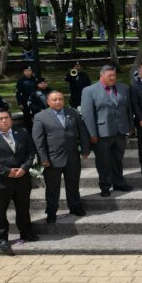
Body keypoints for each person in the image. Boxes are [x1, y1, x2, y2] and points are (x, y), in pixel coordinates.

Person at [0, 109, 38, 255]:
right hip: (0, 181)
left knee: (23, 208)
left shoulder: (22, 133)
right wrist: (7, 172)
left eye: (6, 118)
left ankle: (26, 232)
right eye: (0, 119)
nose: (4, 120)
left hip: (22, 179)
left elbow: (31, 152)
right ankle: (2, 238)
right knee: (0, 212)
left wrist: (25, 168)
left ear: (11, 120)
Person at [31, 91, 90, 223]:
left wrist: (85, 149)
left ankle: (75, 207)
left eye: (60, 99)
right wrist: (43, 158)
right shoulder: (40, 116)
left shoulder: (72, 113)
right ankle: (51, 212)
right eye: (54, 99)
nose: (58, 102)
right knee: (52, 188)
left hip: (72, 157)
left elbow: (82, 132)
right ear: (48, 102)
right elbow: (38, 140)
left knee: (73, 185)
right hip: (52, 160)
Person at [81, 65, 134, 197]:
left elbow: (129, 109)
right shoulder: (89, 91)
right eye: (109, 76)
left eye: (114, 75)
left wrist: (131, 126)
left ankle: (119, 183)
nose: (112, 78)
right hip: (101, 133)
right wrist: (92, 133)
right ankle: (105, 185)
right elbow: (88, 114)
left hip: (120, 131)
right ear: (102, 75)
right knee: (103, 161)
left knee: (117, 159)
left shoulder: (124, 88)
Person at [15, 66, 38, 131]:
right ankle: (29, 129)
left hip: (35, 100)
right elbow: (18, 93)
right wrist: (20, 103)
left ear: (31, 71)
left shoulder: (35, 79)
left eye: (29, 70)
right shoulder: (20, 80)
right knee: (27, 116)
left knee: (36, 114)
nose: (28, 72)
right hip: (25, 100)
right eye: (26, 71)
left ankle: (37, 128)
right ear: (23, 72)